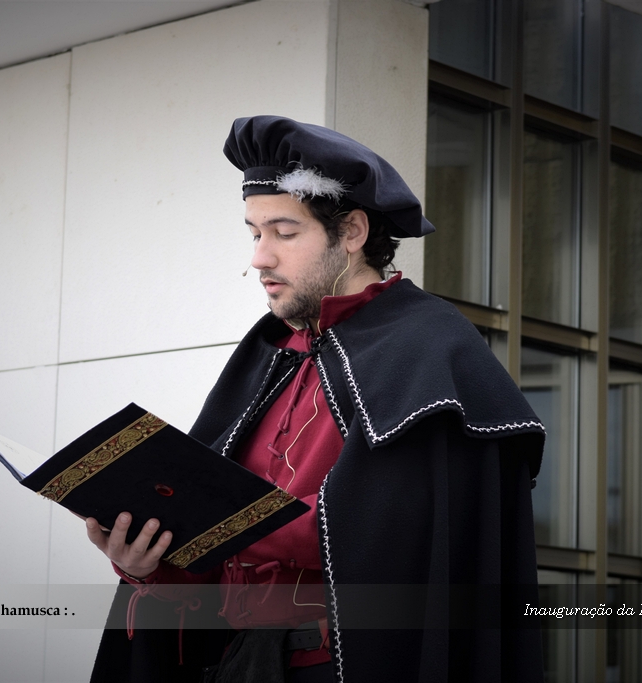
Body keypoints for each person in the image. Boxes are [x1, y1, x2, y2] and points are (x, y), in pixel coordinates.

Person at [87, 116, 546, 683]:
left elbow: (388, 532)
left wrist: (218, 517)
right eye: (254, 234)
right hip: (235, 664)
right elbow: (216, 574)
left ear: (351, 231)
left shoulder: (428, 347)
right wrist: (148, 560)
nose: (260, 258)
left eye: (283, 233)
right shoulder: (268, 353)